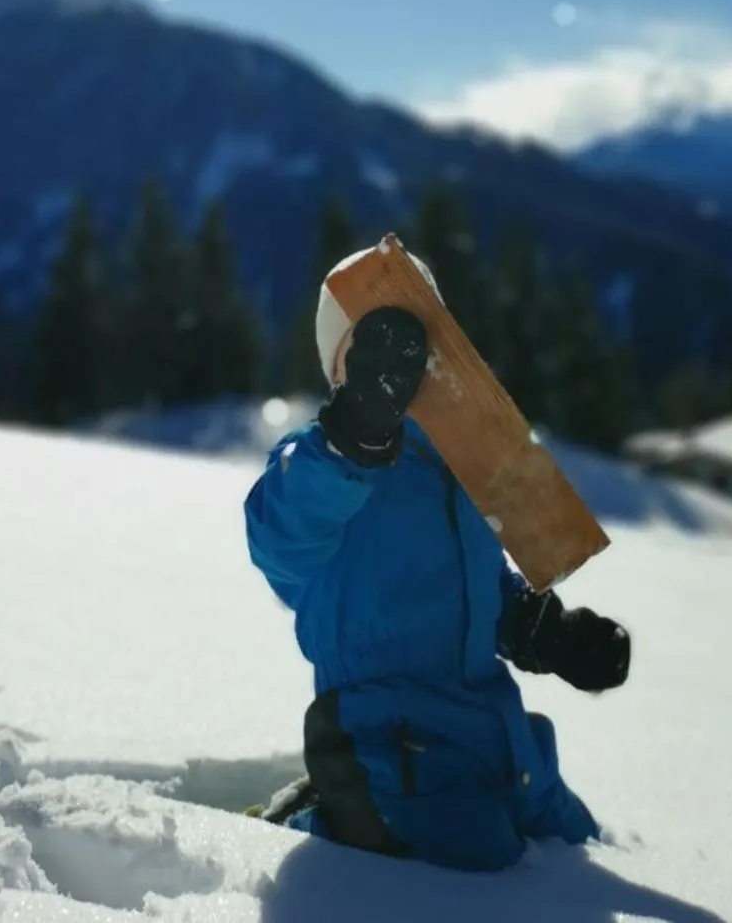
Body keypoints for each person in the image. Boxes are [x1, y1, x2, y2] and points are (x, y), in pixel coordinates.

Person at [244, 253, 631, 873]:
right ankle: (318, 819)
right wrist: (350, 436)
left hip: (499, 735)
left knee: (575, 838)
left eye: (415, 348)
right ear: (339, 371)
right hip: (388, 739)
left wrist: (543, 632)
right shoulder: (323, 465)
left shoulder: (463, 468)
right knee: (476, 857)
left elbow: (473, 585)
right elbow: (279, 538)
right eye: (370, 353)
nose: (395, 372)